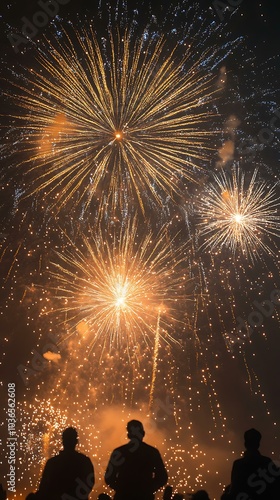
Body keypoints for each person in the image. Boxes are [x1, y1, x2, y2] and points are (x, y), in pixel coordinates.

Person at [105, 419, 168, 500]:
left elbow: (109, 477)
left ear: (128, 435)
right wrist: (148, 489)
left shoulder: (119, 452)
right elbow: (162, 477)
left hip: (123, 497)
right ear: (143, 434)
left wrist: (121, 489)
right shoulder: (152, 452)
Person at [36, 427, 94, 500]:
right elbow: (90, 483)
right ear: (76, 441)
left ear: (62, 441)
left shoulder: (53, 463)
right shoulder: (84, 461)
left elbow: (43, 487)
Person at [230, 428, 280, 499]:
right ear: (258, 444)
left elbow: (234, 491)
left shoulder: (238, 464)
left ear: (245, 444)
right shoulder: (267, 462)